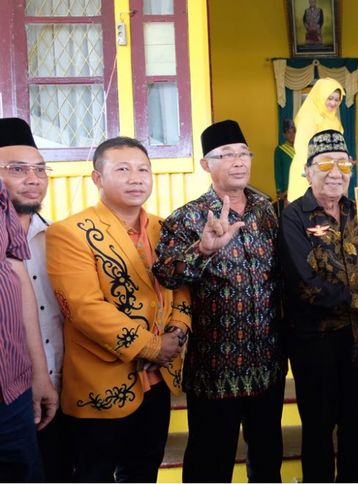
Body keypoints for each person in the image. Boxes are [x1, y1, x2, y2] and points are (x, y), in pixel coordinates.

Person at [46, 136, 190, 482]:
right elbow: (84, 308)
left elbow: (181, 287)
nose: (136, 178)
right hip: (102, 380)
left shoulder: (164, 228)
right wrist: (154, 346)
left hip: (158, 378)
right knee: (95, 473)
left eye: (143, 169)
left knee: (144, 470)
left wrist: (178, 331)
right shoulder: (70, 233)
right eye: (123, 169)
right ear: (97, 179)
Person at [153, 120, 286, 483]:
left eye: (243, 153)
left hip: (267, 363)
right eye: (225, 155)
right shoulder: (187, 217)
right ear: (205, 165)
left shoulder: (267, 210)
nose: (238, 161)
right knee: (210, 463)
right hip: (215, 366)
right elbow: (166, 273)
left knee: (267, 457)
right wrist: (203, 249)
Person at [280, 129, 358, 482]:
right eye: (325, 163)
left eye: (344, 163)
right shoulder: (294, 217)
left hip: (357, 338)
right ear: (307, 171)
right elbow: (305, 287)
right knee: (318, 427)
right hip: (313, 340)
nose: (335, 171)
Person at [0, 117, 71, 481]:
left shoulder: (63, 239)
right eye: (17, 169)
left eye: (40, 170)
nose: (33, 179)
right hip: (10, 394)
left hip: (63, 390)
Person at [287, 77, 344, 202]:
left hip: (328, 171)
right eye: (329, 98)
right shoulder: (309, 115)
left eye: (337, 99)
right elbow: (303, 147)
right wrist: (311, 173)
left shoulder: (334, 119)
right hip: (310, 171)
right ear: (320, 97)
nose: (333, 103)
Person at [274, 118, 296, 207]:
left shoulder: (301, 148)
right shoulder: (280, 150)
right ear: (284, 135)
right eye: (289, 132)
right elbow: (278, 170)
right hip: (287, 190)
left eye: (293, 132)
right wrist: (279, 190)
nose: (292, 135)